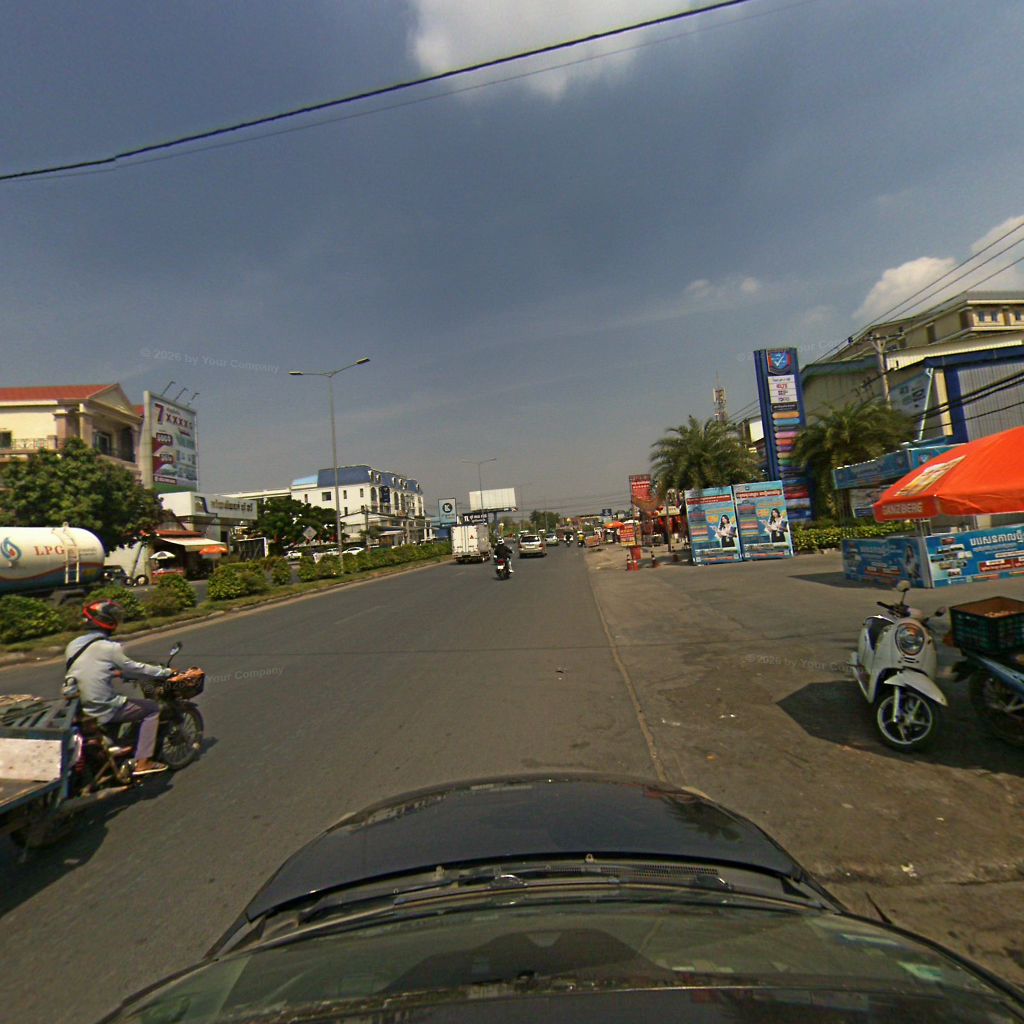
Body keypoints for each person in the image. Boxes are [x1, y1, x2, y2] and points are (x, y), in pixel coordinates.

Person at [63, 599, 178, 775]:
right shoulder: (110, 648)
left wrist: (116, 674)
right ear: (107, 620)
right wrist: (165, 672)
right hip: (102, 706)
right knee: (152, 709)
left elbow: (89, 669)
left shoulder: (74, 645)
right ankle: (143, 762)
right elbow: (135, 668)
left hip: (79, 706)